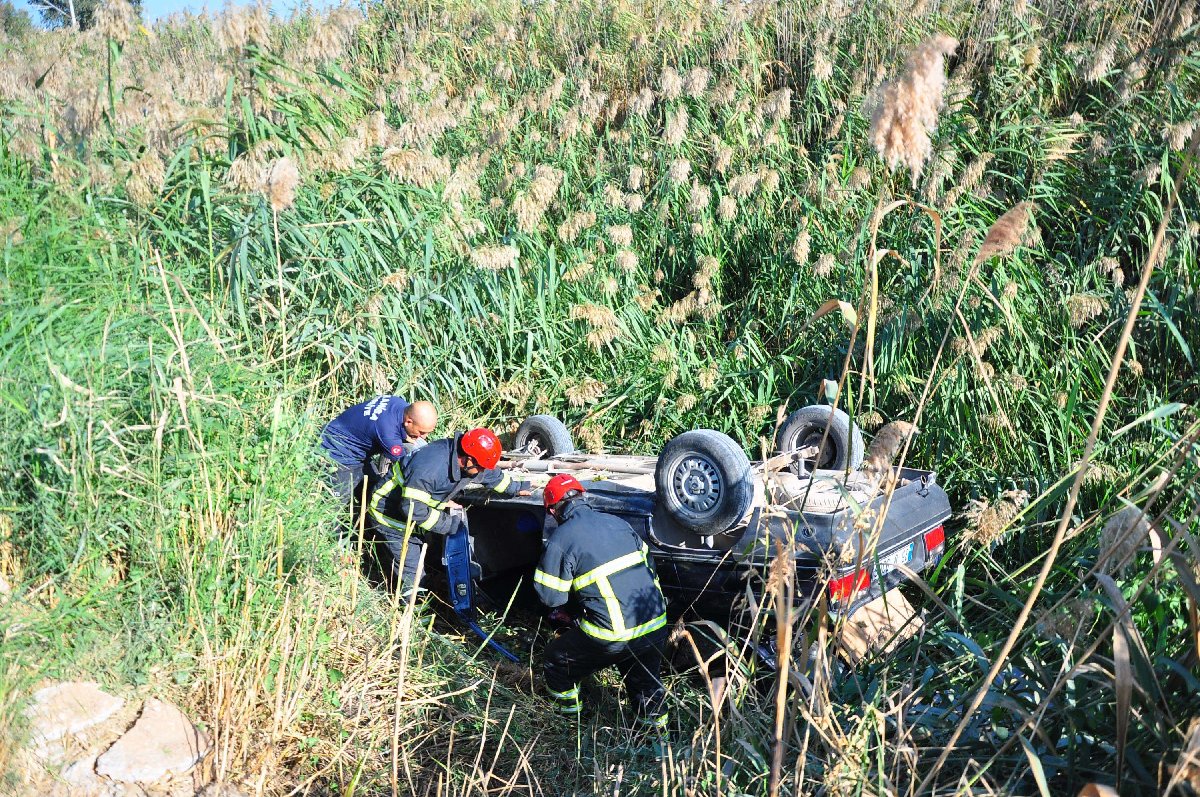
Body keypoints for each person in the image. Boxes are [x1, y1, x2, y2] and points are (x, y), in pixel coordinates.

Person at [533, 474, 669, 730]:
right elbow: (649, 566)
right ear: (583, 496)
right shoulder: (618, 522)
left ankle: (569, 724)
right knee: (646, 686)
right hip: (656, 623)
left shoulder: (561, 539)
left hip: (613, 634)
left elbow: (551, 598)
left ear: (552, 511)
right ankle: (658, 739)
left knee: (556, 660)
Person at [369, 427, 531, 595]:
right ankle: (414, 604)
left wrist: (516, 488)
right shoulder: (431, 467)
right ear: (468, 459)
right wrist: (450, 525)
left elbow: (490, 475)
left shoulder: (469, 460)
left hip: (414, 513)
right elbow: (413, 508)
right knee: (413, 573)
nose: (482, 471)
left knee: (429, 553)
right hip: (390, 517)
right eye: (480, 467)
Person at [320, 396, 438, 510]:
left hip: (348, 440)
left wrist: (408, 436)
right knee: (334, 504)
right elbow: (405, 467)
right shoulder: (388, 434)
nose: (424, 437)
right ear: (408, 421)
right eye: (421, 432)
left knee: (373, 492)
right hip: (336, 452)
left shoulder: (397, 403)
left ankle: (362, 518)